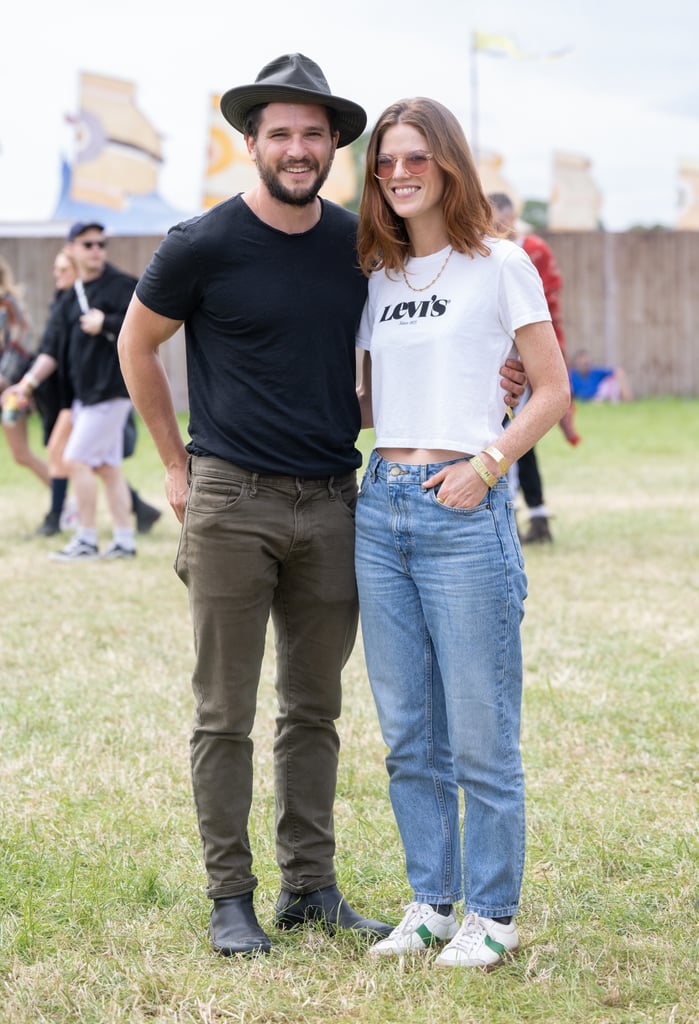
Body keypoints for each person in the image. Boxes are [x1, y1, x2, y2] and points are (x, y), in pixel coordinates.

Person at [117, 53, 528, 958]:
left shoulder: (360, 250)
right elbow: (136, 346)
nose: (296, 149)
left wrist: (482, 388)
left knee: (315, 710)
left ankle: (311, 888)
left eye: (312, 134)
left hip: (341, 503)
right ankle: (232, 897)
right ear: (252, 143)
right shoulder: (201, 243)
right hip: (229, 500)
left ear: (334, 146)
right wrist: (174, 466)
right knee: (222, 712)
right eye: (279, 134)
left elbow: (395, 365)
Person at [354, 98, 570, 968]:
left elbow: (549, 389)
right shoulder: (378, 275)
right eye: (384, 162)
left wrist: (485, 463)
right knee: (408, 732)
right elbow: (371, 402)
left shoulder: (501, 263)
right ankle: (431, 903)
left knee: (480, 730)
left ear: (447, 164)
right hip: (380, 507)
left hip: (461, 506)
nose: (398, 174)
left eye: (414, 158)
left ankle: (492, 911)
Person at [11, 223, 140, 560]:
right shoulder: (70, 297)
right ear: (72, 248)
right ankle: (125, 540)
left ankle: (85, 538)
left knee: (76, 459)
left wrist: (107, 323)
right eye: (88, 244)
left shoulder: (122, 286)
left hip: (111, 391)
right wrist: (26, 384)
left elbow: (150, 325)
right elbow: (50, 352)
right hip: (84, 396)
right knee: (108, 468)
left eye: (101, 244)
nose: (96, 250)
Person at [489, 192, 580, 544]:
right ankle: (532, 514)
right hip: (499, 359)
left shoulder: (529, 251)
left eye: (500, 218)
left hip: (529, 354)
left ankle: (517, 513)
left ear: (511, 216)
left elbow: (539, 303)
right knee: (514, 437)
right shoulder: (482, 251)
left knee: (514, 437)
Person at [0, 256, 51, 490]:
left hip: (9, 391)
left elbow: (17, 349)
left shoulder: (8, 306)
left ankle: (66, 501)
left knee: (21, 454)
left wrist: (5, 381)